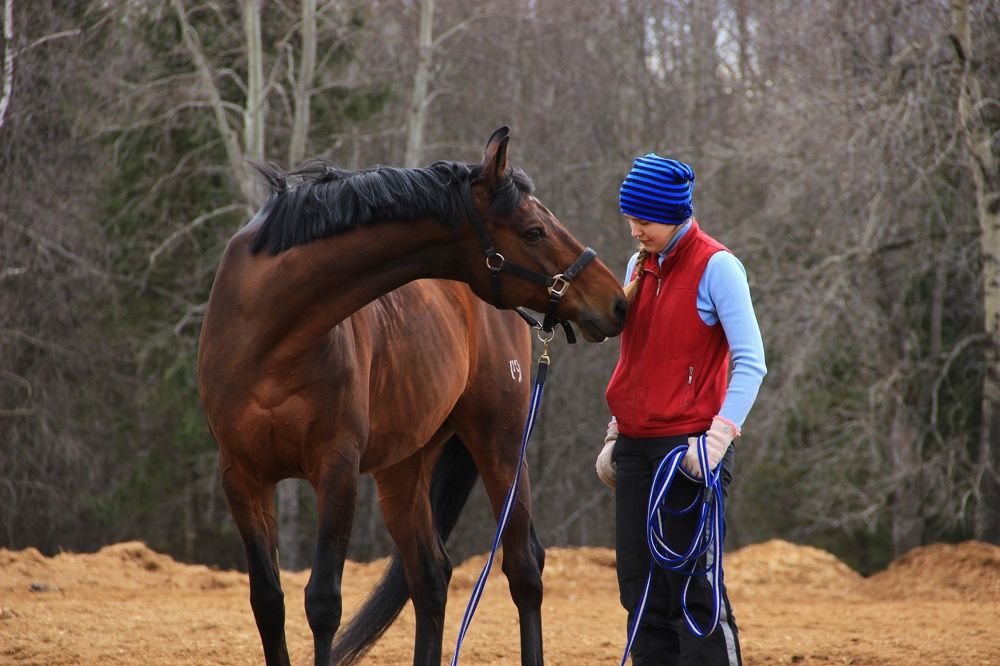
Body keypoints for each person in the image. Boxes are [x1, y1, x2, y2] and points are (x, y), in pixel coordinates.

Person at [596, 154, 766, 665]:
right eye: (629, 219)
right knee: (640, 590)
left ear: (673, 214)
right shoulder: (637, 267)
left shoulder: (718, 267)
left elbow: (751, 362)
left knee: (695, 593)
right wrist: (614, 434)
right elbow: (638, 359)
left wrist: (715, 443)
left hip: (689, 451)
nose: (634, 231)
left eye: (643, 221)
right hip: (635, 448)